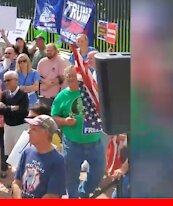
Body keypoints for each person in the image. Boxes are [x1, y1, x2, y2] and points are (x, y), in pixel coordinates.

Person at [51, 65, 106, 198]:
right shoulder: (62, 96)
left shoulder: (92, 92)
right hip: (72, 144)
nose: (70, 78)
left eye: (74, 75)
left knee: (98, 173)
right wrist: (65, 121)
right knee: (71, 176)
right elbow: (54, 117)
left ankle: (83, 192)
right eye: (68, 75)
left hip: (95, 143)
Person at [11, 115, 66, 199]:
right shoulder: (27, 152)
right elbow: (16, 182)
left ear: (46, 133)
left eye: (34, 129)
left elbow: (52, 195)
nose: (29, 131)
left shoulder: (58, 160)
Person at [0, 71, 29, 159]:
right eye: (5, 81)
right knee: (10, 155)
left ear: (16, 80)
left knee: (20, 154)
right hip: (8, 127)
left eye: (9, 80)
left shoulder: (23, 94)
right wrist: (12, 108)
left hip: (20, 127)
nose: (6, 83)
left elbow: (23, 112)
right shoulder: (4, 94)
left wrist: (6, 108)